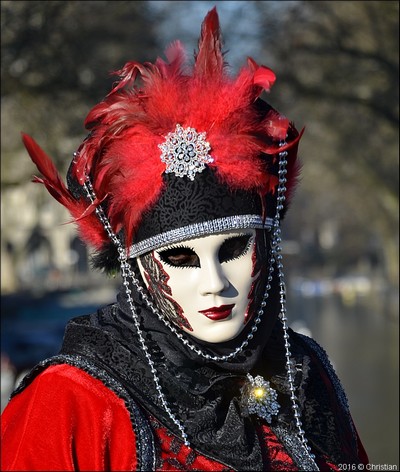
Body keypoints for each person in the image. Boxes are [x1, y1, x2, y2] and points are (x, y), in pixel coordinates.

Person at [1, 7, 368, 471]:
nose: (214, 283)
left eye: (233, 248)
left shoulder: (305, 375)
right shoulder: (71, 404)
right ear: (138, 269)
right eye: (180, 258)